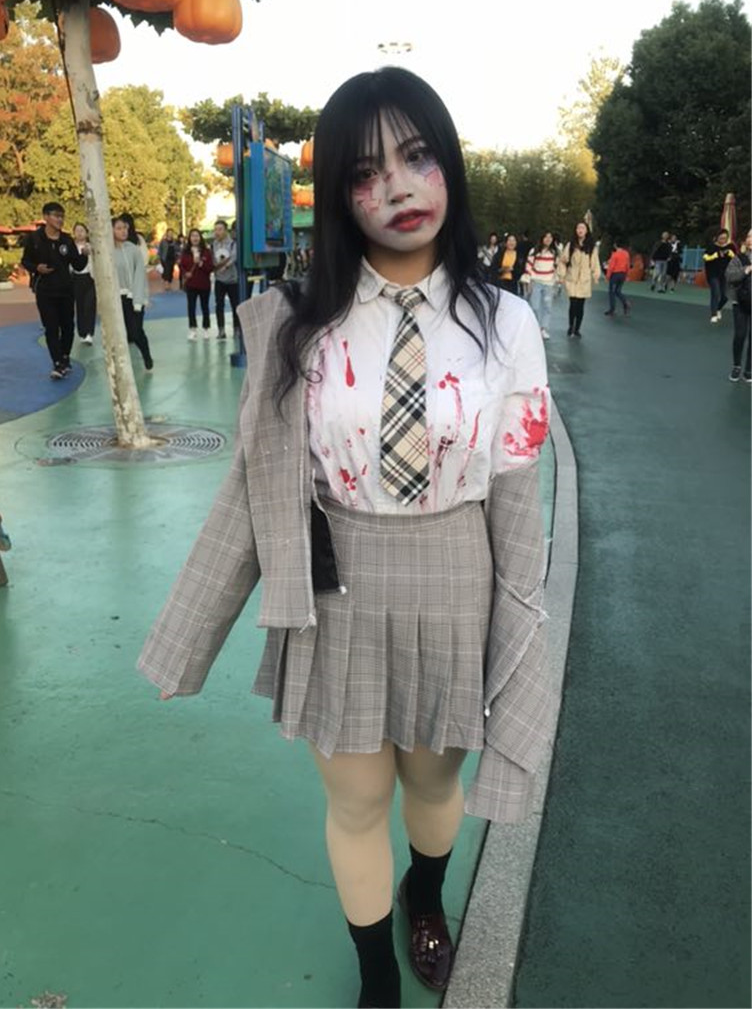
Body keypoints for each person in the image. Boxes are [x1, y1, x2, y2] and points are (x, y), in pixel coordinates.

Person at [137, 66, 554, 1009]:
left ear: (448, 165)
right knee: (357, 801)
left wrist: (520, 643)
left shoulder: (507, 325)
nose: (397, 188)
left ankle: (425, 895)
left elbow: (517, 501)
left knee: (434, 789)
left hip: (458, 586)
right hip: (338, 595)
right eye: (365, 173)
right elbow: (253, 494)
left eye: (416, 156)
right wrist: (187, 639)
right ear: (338, 196)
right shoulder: (295, 326)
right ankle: (376, 980)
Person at [21, 202, 87, 379]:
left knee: (68, 327)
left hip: (66, 290)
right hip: (45, 291)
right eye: (56, 216)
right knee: (51, 327)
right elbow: (25, 261)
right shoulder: (34, 239)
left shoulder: (66, 240)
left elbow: (78, 265)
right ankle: (57, 363)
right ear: (46, 217)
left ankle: (65, 356)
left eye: (62, 216)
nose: (60, 220)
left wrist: (85, 254)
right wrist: (36, 268)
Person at [113, 216, 153, 372]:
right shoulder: (107, 252)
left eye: (125, 228)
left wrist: (141, 298)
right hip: (117, 298)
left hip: (134, 296)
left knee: (136, 331)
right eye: (119, 228)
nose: (123, 231)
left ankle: (146, 356)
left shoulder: (133, 249)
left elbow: (140, 275)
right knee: (122, 333)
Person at [558, 221, 601, 338]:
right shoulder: (571, 245)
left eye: (582, 228)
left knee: (580, 305)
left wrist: (596, 275)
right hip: (572, 278)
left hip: (584, 279)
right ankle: (571, 326)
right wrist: (561, 275)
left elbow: (595, 262)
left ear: (586, 231)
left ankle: (577, 328)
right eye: (578, 228)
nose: (580, 230)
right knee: (573, 304)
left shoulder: (591, 247)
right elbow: (563, 261)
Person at [725, 227, 751, 383]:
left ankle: (749, 369)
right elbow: (729, 276)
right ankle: (736, 366)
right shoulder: (739, 258)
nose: (749, 239)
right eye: (748, 236)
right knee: (740, 335)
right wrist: (745, 270)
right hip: (740, 302)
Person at [180, 228, 214, 340]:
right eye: (192, 236)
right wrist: (185, 273)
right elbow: (182, 266)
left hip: (204, 284)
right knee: (191, 307)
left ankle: (206, 328)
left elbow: (210, 268)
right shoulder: (185, 252)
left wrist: (200, 263)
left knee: (205, 306)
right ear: (189, 238)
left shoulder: (206, 251)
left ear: (200, 238)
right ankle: (192, 328)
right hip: (191, 284)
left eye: (197, 236)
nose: (195, 238)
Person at [525, 231, 558, 339]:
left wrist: (556, 281)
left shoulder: (554, 252)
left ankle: (543, 329)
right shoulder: (534, 251)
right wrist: (528, 280)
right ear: (542, 238)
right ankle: (535, 327)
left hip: (549, 283)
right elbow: (529, 266)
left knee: (548, 307)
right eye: (546, 237)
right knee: (535, 306)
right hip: (536, 281)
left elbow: (557, 267)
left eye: (550, 237)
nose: (548, 239)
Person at [211, 219, 239, 340]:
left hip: (232, 279)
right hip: (219, 280)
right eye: (216, 230)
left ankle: (236, 329)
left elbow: (234, 257)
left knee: (235, 305)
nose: (217, 232)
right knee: (219, 305)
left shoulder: (233, 244)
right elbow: (212, 259)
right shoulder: (213, 244)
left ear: (225, 230)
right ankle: (221, 330)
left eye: (220, 229)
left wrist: (226, 266)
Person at [703, 228, 736, 324]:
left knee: (725, 296)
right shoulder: (712, 246)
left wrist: (731, 254)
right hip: (713, 274)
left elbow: (736, 259)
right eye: (721, 238)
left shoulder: (730, 247)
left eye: (725, 238)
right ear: (717, 238)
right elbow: (705, 257)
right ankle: (713, 314)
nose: (723, 240)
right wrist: (715, 255)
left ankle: (718, 308)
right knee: (715, 293)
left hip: (725, 274)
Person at [71, 222, 96, 344]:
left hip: (90, 278)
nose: (80, 233)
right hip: (76, 278)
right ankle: (82, 333)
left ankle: (89, 333)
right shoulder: (71, 247)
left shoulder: (91, 247)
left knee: (89, 305)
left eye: (82, 230)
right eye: (77, 231)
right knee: (80, 306)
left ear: (86, 233)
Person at [604, 238, 631, 316]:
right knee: (618, 291)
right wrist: (627, 275)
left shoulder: (615, 255)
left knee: (611, 292)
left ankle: (612, 309)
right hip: (622, 274)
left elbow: (611, 267)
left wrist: (607, 276)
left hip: (615, 274)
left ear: (615, 245)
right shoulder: (626, 254)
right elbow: (628, 265)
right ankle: (625, 303)